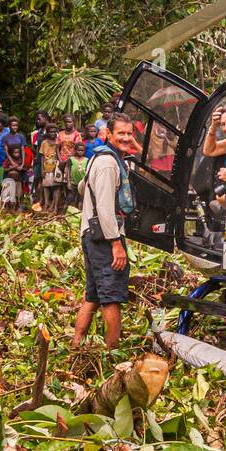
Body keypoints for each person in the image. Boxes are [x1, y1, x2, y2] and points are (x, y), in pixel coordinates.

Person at [73, 113, 138, 349]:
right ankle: (113, 353)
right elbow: (104, 207)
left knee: (92, 296)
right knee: (112, 297)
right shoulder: (109, 163)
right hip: (103, 237)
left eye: (130, 133)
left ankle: (76, 344)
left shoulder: (99, 158)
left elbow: (82, 187)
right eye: (121, 133)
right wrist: (116, 244)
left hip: (90, 234)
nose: (126, 137)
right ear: (108, 134)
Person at [1, 144, 25, 212]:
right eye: (15, 152)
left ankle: (18, 207)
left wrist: (19, 168)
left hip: (18, 180)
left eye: (18, 152)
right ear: (12, 153)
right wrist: (11, 168)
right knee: (10, 194)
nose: (17, 154)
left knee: (18, 194)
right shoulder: (8, 160)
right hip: (10, 180)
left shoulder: (21, 160)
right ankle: (8, 208)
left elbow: (24, 169)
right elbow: (5, 169)